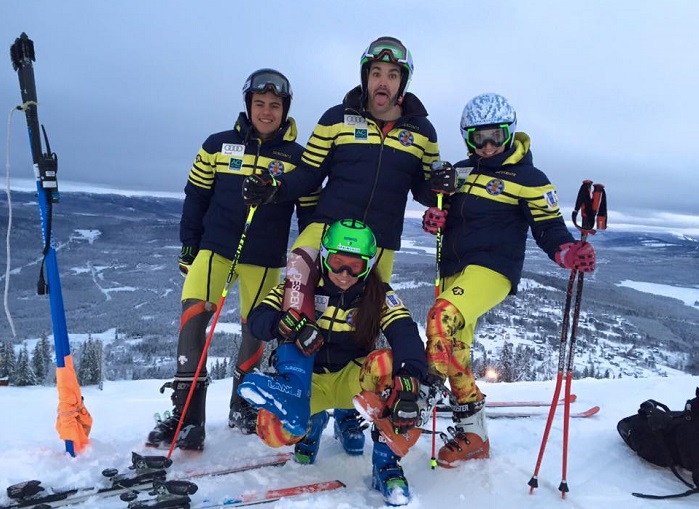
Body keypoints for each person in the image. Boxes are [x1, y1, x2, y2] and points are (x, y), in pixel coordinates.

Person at [241, 36, 441, 456]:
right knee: (298, 285)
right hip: (327, 228)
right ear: (365, 78)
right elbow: (308, 173)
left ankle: (348, 408)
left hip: (379, 240)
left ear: (402, 82)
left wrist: (439, 190)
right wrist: (275, 188)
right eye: (375, 73)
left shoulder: (422, 132)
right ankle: (301, 394)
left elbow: (425, 188)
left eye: (391, 75)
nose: (382, 82)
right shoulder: (337, 118)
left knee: (364, 318)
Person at [421, 92, 596, 468]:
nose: (486, 147)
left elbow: (550, 228)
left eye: (495, 137)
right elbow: (445, 211)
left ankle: (420, 396)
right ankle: (474, 434)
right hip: (454, 267)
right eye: (477, 138)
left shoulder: (529, 178)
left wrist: (567, 252)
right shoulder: (462, 172)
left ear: (509, 134)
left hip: (493, 269)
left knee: (440, 317)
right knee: (455, 349)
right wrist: (436, 217)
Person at [146, 68, 318, 450]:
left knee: (253, 332)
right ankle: (187, 419)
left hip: (264, 259)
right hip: (215, 250)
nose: (267, 112)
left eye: (275, 105)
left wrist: (309, 263)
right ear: (248, 105)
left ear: (285, 109)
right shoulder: (217, 145)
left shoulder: (299, 158)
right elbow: (196, 195)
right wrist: (189, 245)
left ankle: (243, 407)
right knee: (192, 326)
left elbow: (309, 215)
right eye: (260, 104)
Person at [237, 219, 426, 506]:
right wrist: (284, 324)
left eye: (356, 265)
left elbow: (406, 334)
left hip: (352, 380)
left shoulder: (379, 295)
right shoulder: (297, 292)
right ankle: (312, 421)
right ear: (324, 256)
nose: (345, 273)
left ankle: (386, 464)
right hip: (310, 381)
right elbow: (257, 322)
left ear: (370, 265)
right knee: (271, 430)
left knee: (387, 365)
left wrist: (410, 378)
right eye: (337, 262)